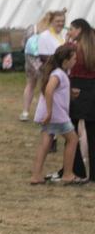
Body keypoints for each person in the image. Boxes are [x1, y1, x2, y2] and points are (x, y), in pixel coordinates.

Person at [31, 44, 82, 184]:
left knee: (45, 143)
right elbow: (48, 91)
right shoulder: (58, 74)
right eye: (74, 59)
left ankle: (36, 175)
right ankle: (68, 174)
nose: (76, 61)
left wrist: (71, 93)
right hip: (57, 116)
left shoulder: (60, 73)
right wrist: (49, 112)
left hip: (52, 115)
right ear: (65, 61)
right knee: (73, 139)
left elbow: (57, 92)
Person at [62, 19, 95, 179]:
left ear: (79, 29)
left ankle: (76, 169)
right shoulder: (92, 44)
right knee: (92, 132)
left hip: (76, 87)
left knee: (71, 131)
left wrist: (66, 42)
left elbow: (60, 61)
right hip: (92, 87)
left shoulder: (73, 48)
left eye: (72, 29)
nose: (70, 32)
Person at [20, 12, 52, 122]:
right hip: (44, 61)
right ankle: (44, 112)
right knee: (46, 86)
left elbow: (23, 44)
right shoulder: (49, 32)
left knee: (30, 85)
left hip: (30, 61)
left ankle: (25, 112)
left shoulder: (32, 28)